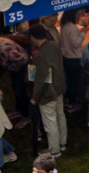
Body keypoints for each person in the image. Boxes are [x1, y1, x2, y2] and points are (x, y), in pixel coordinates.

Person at [28, 24, 68, 157]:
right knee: (60, 116)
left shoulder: (39, 56)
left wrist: (35, 97)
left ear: (33, 37)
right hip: (59, 87)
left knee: (50, 122)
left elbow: (39, 79)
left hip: (48, 92)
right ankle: (62, 143)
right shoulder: (54, 45)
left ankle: (54, 150)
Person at [58, 8, 87, 113]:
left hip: (66, 58)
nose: (80, 16)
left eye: (81, 14)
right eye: (78, 14)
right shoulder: (73, 27)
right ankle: (72, 103)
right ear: (72, 14)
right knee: (74, 82)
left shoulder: (64, 24)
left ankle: (69, 100)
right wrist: (83, 32)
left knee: (70, 81)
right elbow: (76, 43)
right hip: (73, 59)